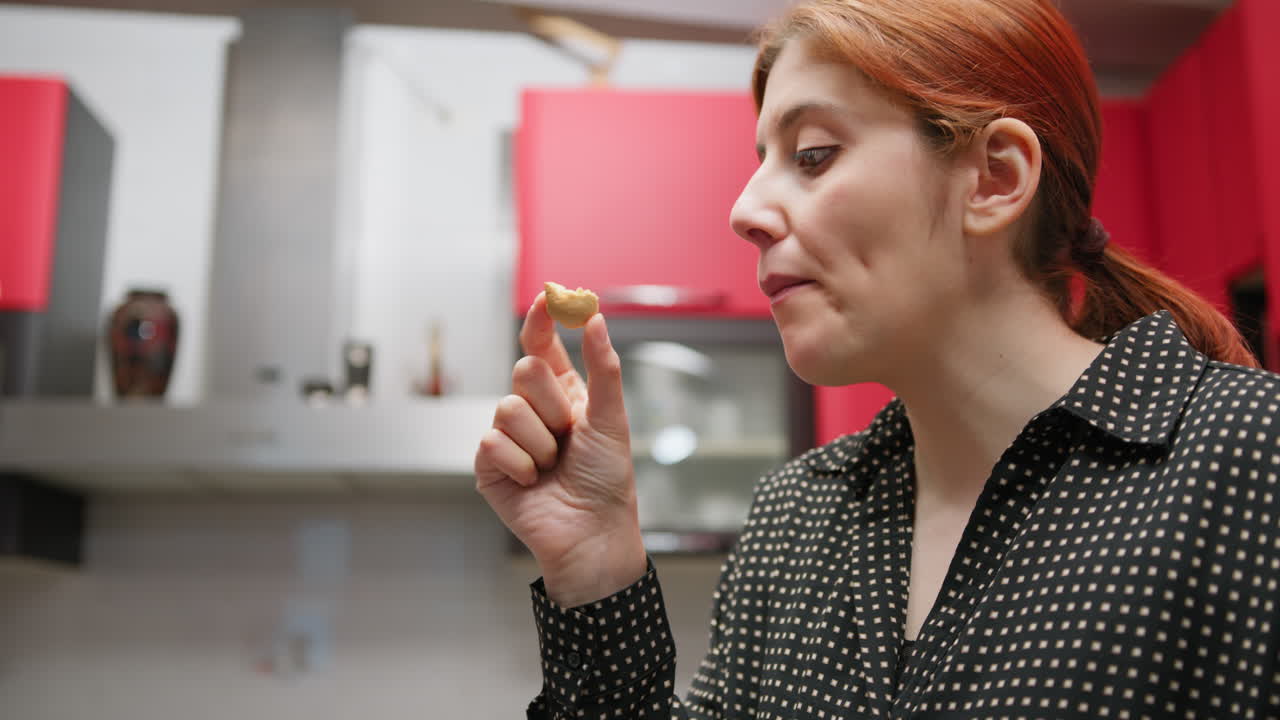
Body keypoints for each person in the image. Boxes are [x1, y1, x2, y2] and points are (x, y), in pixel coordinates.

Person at [474, 0, 1280, 717]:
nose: (745, 209)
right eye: (762, 160)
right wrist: (598, 568)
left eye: (813, 153)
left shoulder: (1250, 463)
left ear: (994, 178)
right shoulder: (795, 517)